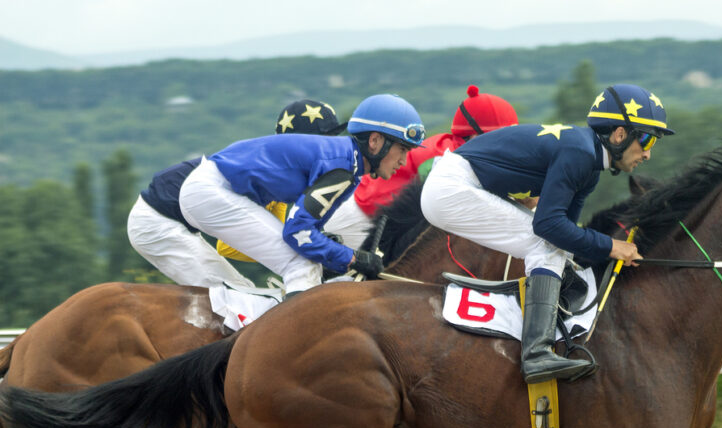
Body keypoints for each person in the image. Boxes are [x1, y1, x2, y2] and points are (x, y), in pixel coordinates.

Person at [420, 83, 672, 383]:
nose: (648, 154)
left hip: (459, 184)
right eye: (647, 140)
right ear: (619, 134)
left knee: (556, 248)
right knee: (547, 246)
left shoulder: (589, 165)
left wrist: (603, 252)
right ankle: (536, 353)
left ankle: (545, 335)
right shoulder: (580, 152)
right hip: (451, 187)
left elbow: (566, 233)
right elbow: (549, 229)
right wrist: (611, 247)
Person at [178, 94, 424, 295]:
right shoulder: (342, 168)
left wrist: (339, 253)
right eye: (402, 149)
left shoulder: (349, 165)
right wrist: (353, 258)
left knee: (306, 261)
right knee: (301, 263)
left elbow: (306, 230)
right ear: (375, 140)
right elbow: (297, 232)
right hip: (211, 192)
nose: (404, 160)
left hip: (209, 190)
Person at [126, 99, 346, 288]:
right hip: (157, 223)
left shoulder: (282, 169)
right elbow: (228, 248)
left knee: (244, 291)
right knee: (235, 295)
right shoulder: (274, 175)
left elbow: (276, 235)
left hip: (172, 216)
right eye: (325, 141)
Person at [322, 85, 519, 251]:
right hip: (360, 217)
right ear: (476, 135)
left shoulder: (454, 147)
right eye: (500, 138)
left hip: (369, 211)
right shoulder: (450, 156)